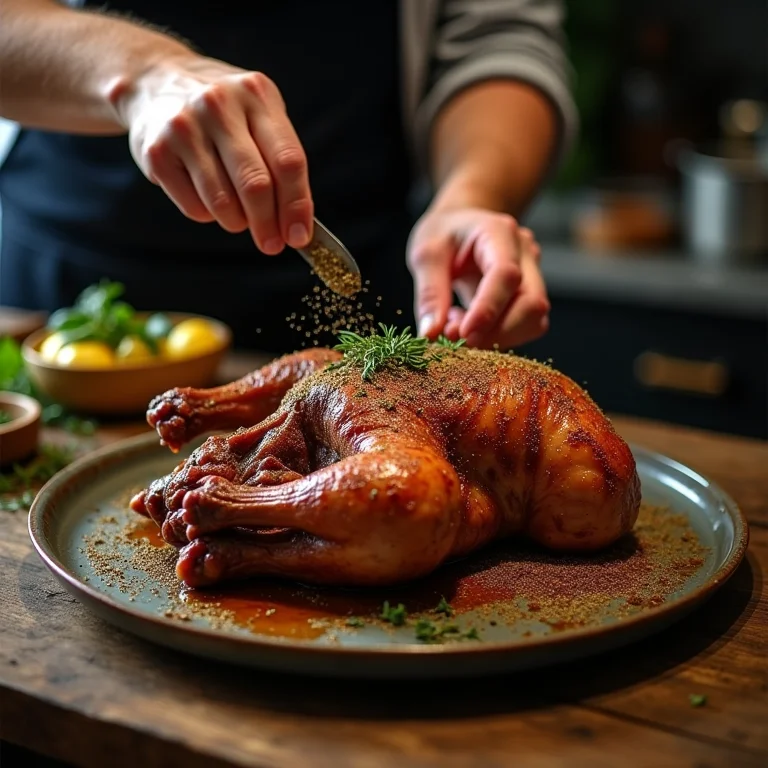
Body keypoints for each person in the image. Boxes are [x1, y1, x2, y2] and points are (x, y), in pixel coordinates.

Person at [0, 0, 576, 353]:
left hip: (370, 276)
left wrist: (470, 192)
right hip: (65, 295)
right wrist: (143, 72)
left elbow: (499, 37)